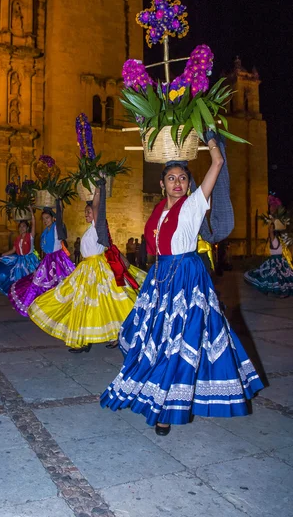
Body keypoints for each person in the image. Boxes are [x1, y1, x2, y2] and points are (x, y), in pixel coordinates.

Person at [100, 135, 263, 436]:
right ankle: (156, 391)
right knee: (150, 338)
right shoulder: (157, 211)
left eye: (183, 178)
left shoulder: (194, 204)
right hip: (160, 278)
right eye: (172, 178)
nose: (177, 183)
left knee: (178, 343)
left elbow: (217, 162)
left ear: (190, 184)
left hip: (186, 278)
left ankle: (165, 409)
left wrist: (211, 138)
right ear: (162, 184)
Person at [28, 184, 140, 353]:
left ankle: (113, 335)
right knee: (84, 305)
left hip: (97, 269)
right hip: (87, 269)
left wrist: (97, 189)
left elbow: (96, 207)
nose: (87, 214)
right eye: (85, 212)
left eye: (89, 212)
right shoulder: (90, 229)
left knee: (105, 303)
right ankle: (84, 339)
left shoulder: (97, 225)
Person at [9, 205, 75, 315]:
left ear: (53, 218)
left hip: (57, 260)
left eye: (47, 218)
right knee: (38, 283)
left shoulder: (56, 227)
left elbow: (60, 216)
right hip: (48, 259)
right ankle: (35, 305)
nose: (45, 221)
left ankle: (61, 308)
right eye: (43, 219)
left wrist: (58, 203)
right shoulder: (45, 231)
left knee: (59, 284)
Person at [0, 214, 40, 295]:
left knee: (30, 280)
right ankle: (22, 298)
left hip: (29, 261)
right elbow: (13, 250)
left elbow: (33, 223)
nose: (22, 228)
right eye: (20, 226)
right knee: (19, 280)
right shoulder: (17, 238)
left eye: (24, 226)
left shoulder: (30, 236)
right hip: (20, 261)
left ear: (27, 228)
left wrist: (31, 213)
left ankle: (31, 296)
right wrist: (1, 255)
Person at [244, 222, 293, 297]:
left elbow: (271, 232)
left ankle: (277, 292)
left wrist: (273, 224)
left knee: (274, 277)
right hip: (279, 261)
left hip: (277, 261)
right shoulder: (278, 240)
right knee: (277, 277)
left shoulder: (276, 239)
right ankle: (278, 292)